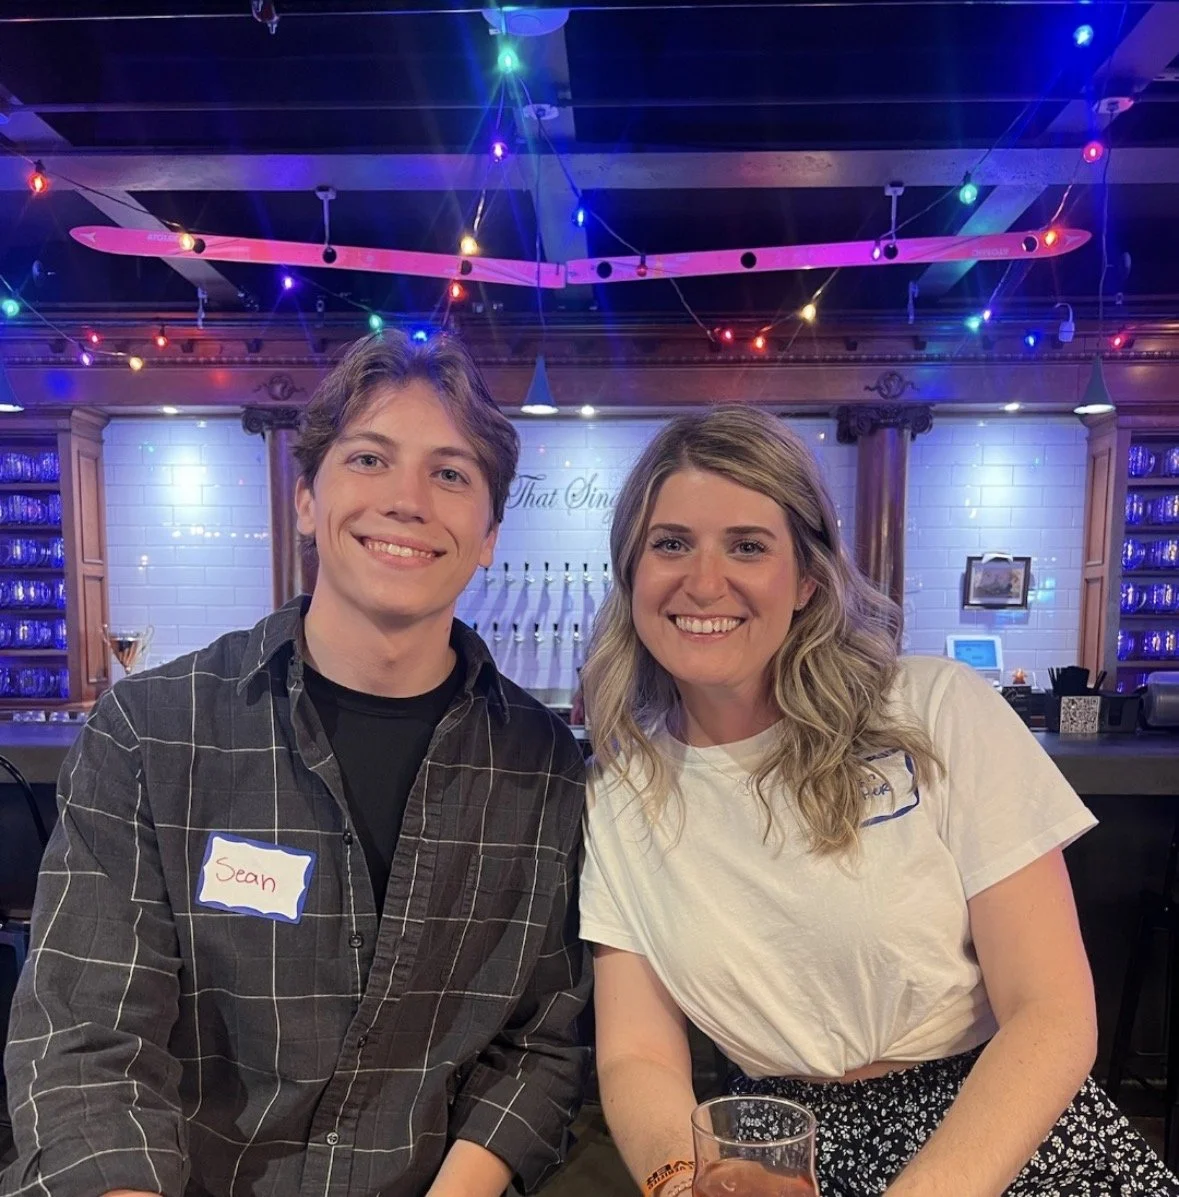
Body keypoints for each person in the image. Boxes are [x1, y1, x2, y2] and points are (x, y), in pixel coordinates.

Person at [3, 332, 590, 1197]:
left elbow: (540, 1043)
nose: (407, 499)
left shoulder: (542, 766)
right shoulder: (154, 731)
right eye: (369, 458)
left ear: (489, 534)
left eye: (451, 473)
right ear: (307, 500)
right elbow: (84, 1041)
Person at [578, 406, 1179, 1196]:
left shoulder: (932, 708)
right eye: (670, 543)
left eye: (748, 545)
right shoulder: (621, 789)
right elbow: (638, 1054)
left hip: (991, 1121)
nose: (702, 580)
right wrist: (682, 1182)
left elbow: (1051, 1011)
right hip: (770, 1148)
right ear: (631, 572)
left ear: (806, 580)